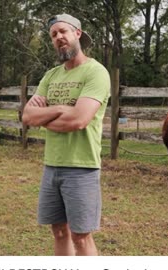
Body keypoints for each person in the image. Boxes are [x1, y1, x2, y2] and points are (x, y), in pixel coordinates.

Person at [22, 14, 110, 256]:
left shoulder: (96, 72)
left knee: (81, 237)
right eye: (53, 35)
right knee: (59, 231)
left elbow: (80, 120)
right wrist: (61, 109)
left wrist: (46, 116)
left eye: (63, 31)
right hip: (51, 165)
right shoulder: (51, 76)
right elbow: (28, 117)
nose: (59, 37)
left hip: (82, 167)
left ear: (77, 33)